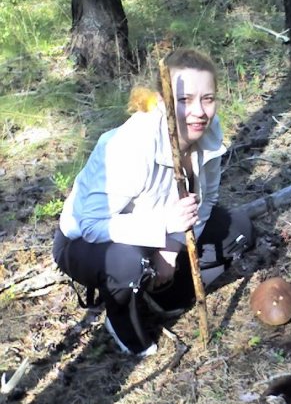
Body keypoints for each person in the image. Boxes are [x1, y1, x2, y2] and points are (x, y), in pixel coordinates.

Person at [52, 48, 254, 356]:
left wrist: (170, 248)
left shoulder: (209, 131)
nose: (199, 111)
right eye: (185, 99)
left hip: (157, 234)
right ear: (162, 101)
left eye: (208, 98)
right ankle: (122, 318)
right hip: (86, 243)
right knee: (129, 263)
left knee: (239, 231)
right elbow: (90, 225)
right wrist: (163, 228)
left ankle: (163, 293)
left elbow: (206, 200)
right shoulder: (132, 146)